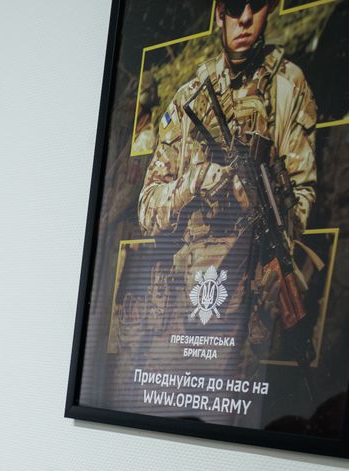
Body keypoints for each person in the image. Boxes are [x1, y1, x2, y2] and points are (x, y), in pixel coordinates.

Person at [137, 0, 320, 373]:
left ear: (270, 10)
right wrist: (195, 181)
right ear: (220, 13)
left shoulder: (287, 86)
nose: (246, 18)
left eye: (257, 5)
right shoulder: (190, 97)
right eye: (236, 7)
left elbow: (301, 194)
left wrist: (265, 207)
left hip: (248, 316)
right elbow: (147, 211)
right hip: (180, 314)